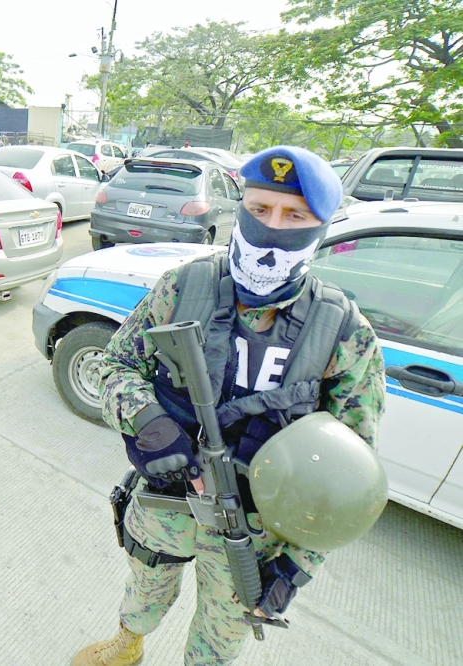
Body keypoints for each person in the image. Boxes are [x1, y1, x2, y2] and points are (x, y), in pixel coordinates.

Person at [72, 146, 386, 666]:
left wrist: (295, 569)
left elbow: (345, 488)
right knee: (146, 579)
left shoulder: (343, 332)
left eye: (295, 217)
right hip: (168, 496)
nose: (272, 229)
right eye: (260, 210)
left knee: (221, 638)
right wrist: (148, 421)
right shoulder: (185, 285)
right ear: (240, 210)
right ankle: (127, 646)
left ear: (321, 229)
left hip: (255, 529)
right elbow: (114, 365)